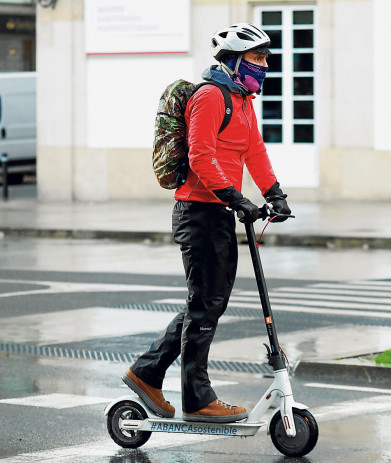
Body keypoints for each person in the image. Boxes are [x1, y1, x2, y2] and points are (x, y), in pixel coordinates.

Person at [122, 23, 292, 423]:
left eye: (266, 58)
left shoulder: (243, 100)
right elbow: (200, 157)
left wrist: (274, 194)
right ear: (233, 61)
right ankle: (197, 399)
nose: (264, 65)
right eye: (257, 58)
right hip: (198, 211)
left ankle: (146, 372)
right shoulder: (211, 97)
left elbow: (254, 151)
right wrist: (235, 197)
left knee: (205, 303)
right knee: (205, 305)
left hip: (216, 212)